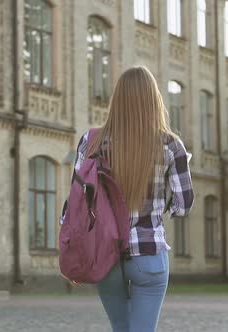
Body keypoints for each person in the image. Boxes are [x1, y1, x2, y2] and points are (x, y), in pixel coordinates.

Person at [62, 66, 194, 331]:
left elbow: (74, 203)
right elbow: (183, 205)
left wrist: (74, 252)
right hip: (149, 255)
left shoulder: (92, 140)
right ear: (153, 100)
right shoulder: (171, 145)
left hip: (104, 255)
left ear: (117, 100)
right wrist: (160, 201)